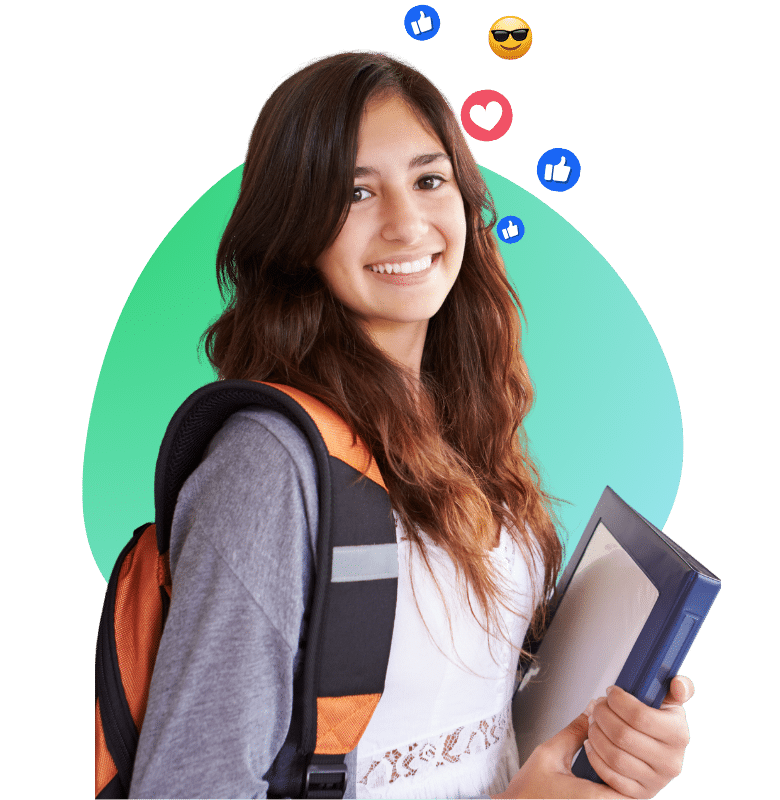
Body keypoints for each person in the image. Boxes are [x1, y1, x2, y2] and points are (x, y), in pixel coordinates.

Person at [128, 50, 694, 800]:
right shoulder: (269, 466)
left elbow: (479, 717)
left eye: (430, 180)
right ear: (294, 231)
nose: (406, 223)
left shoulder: (465, 426)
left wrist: (616, 745)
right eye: (356, 193)